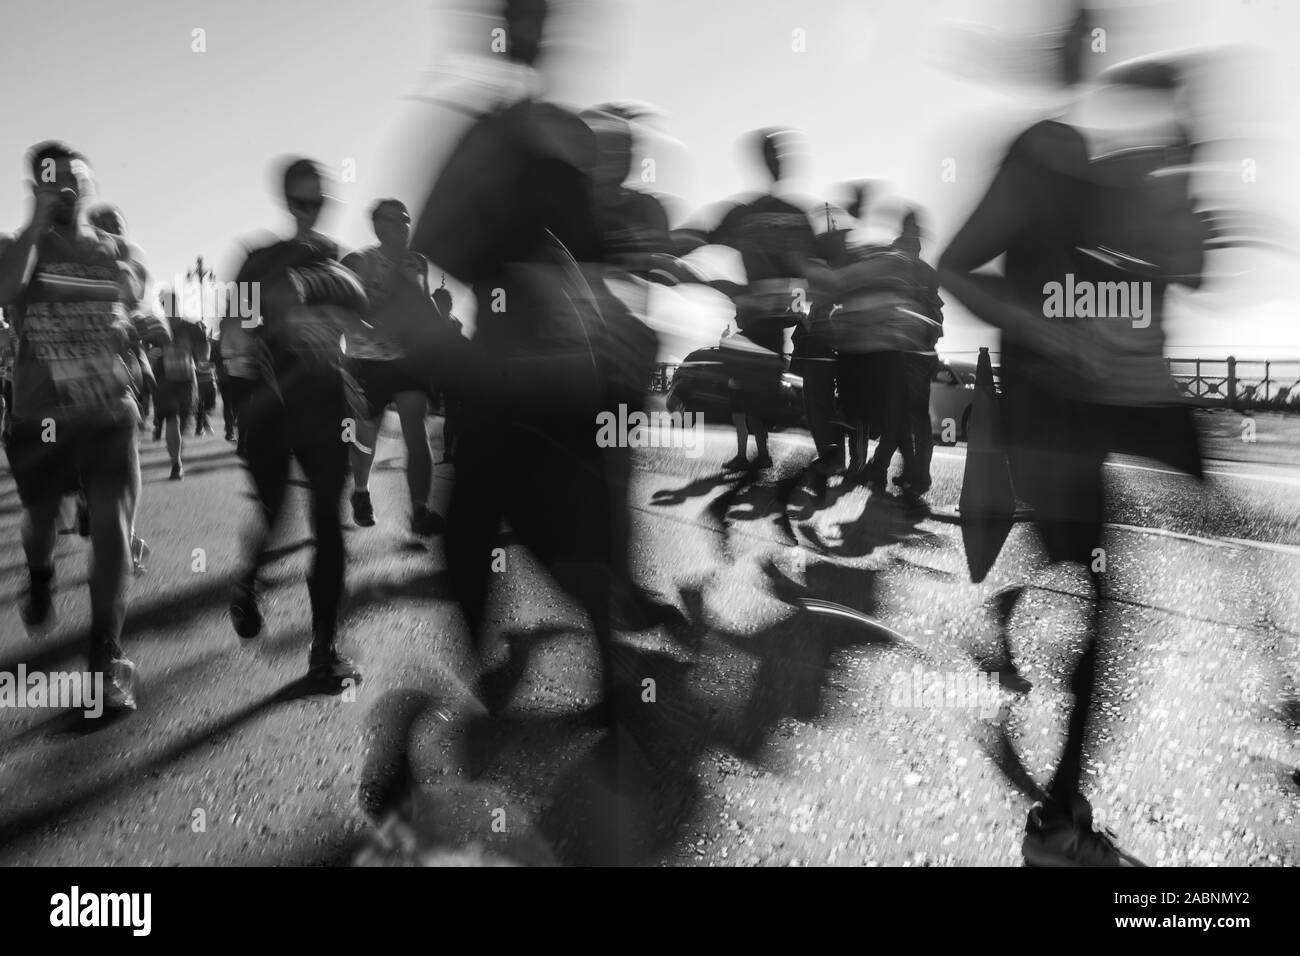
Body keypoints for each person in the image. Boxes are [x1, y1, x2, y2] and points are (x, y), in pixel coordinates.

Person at [938, 15, 1208, 865]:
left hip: (1114, 399)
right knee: (1101, 600)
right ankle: (1057, 827)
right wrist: (1049, 330)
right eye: (1083, 33)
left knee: (1196, 516)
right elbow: (952, 266)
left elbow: (1176, 270)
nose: (1096, 49)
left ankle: (1025, 587)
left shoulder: (1113, 162)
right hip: (1052, 410)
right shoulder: (1042, 152)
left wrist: (1183, 192)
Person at [409, 0, 625, 719]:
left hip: (541, 366)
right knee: (508, 519)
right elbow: (439, 238)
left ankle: (590, 672)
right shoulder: (518, 133)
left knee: (491, 519)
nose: (531, 34)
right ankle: (596, 671)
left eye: (537, 18)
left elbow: (591, 247)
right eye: (521, 18)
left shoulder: (543, 135)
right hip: (533, 364)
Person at [0, 141, 148, 711]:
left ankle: (105, 659)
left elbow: (133, 297)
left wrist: (138, 314)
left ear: (86, 185)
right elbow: (5, 289)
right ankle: (40, 574)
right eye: (47, 180)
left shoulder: (112, 249)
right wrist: (35, 224)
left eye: (68, 179)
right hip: (40, 420)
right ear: (33, 188)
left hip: (109, 412)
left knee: (110, 525)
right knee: (41, 523)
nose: (60, 188)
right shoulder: (19, 248)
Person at [229, 157, 370, 690]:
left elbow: (353, 329)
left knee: (327, 524)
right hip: (271, 404)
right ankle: (247, 583)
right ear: (287, 202)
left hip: (326, 403)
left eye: (318, 201)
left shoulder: (341, 262)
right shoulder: (256, 259)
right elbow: (239, 327)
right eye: (301, 201)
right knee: (274, 514)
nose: (310, 210)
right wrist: (244, 396)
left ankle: (323, 648)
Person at [701, 129, 817, 471]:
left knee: (759, 389)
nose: (776, 163)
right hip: (763, 319)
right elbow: (706, 235)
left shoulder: (757, 213)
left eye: (778, 156)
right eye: (772, 156)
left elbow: (814, 267)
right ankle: (757, 452)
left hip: (771, 320)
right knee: (749, 389)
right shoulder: (764, 213)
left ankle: (768, 449)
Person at [341, 199, 444, 536]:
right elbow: (344, 308)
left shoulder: (418, 263)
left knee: (416, 429)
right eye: (393, 220)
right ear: (377, 225)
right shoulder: (361, 261)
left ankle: (420, 510)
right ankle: (361, 491)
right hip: (368, 359)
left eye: (405, 219)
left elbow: (425, 304)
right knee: (366, 434)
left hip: (407, 359)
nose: (401, 225)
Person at [862, 210, 944, 508]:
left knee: (904, 415)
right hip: (919, 350)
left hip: (905, 350)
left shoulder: (902, 267)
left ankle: (908, 473)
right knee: (909, 416)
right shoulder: (925, 270)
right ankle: (896, 470)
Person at [151, 288, 207, 480]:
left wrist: (200, 357)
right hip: (167, 382)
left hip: (185, 381)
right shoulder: (157, 328)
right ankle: (177, 464)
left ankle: (177, 460)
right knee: (173, 421)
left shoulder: (186, 328)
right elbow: (145, 350)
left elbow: (203, 349)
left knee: (179, 424)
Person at [215, 308, 259, 453]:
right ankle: (242, 442)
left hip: (257, 375)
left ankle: (251, 441)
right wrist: (241, 354)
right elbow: (224, 351)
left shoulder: (260, 331)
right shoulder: (233, 331)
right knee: (242, 408)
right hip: (237, 375)